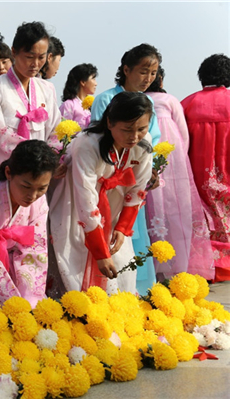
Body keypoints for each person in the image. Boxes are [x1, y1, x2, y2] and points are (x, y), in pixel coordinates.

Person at [50, 92, 154, 294]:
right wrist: (99, 252)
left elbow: (138, 188)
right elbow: (85, 199)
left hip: (113, 203)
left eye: (141, 129)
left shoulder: (143, 143)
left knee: (121, 257)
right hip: (75, 205)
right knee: (75, 256)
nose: (134, 137)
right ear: (109, 123)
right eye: (127, 130)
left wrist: (123, 228)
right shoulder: (87, 145)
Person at [91, 43, 162, 295]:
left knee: (131, 230)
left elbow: (151, 140)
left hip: (134, 177)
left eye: (153, 73)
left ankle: (138, 289)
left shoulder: (148, 103)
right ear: (127, 69)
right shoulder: (106, 99)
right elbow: (99, 140)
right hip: (109, 179)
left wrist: (151, 169)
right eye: (143, 71)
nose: (148, 78)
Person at [144, 67, 215, 280]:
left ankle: (155, 263)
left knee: (152, 209)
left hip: (148, 158)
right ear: (162, 81)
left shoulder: (140, 100)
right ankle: (178, 263)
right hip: (173, 161)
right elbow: (183, 134)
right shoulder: (170, 100)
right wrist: (182, 159)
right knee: (177, 209)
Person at [0, 140, 58, 307]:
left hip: (11, 267)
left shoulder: (39, 204)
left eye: (42, 189)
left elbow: (34, 251)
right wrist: (10, 302)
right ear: (9, 173)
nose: (32, 196)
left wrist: (28, 302)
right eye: (26, 186)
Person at [0, 21, 61, 169]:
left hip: (38, 172)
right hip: (5, 170)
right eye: (30, 57)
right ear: (14, 52)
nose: (35, 64)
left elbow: (55, 130)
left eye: (41, 57)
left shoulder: (47, 89)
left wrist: (52, 159)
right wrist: (31, 159)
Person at [181, 53, 230, 282]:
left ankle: (206, 266)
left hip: (196, 174)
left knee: (203, 220)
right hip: (227, 173)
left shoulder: (188, 104)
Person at [60, 63, 98, 129]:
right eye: (93, 78)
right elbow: (63, 132)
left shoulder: (92, 105)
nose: (96, 84)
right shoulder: (69, 105)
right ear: (83, 82)